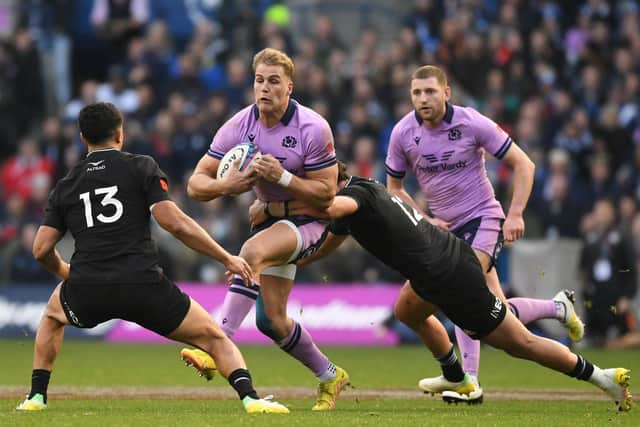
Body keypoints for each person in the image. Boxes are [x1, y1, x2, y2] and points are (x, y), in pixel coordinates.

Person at [247, 162, 632, 412]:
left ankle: (602, 377)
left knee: (520, 343)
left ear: (333, 182)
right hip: (440, 265)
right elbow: (324, 244)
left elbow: (329, 208)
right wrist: (284, 256)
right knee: (407, 310)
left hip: (451, 276)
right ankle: (455, 374)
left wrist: (278, 195)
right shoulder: (365, 192)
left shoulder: (355, 197)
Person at [15, 102, 288, 414]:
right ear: (119, 134)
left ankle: (36, 398)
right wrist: (226, 258)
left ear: (82, 138)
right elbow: (175, 223)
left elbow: (40, 249)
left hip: (88, 287)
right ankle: (251, 399)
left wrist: (66, 273)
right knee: (215, 337)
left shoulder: (66, 185)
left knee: (52, 317)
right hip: (143, 283)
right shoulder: (140, 166)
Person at [384, 65, 584, 403]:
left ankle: (470, 382)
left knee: (461, 292)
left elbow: (525, 164)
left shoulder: (471, 122)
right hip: (444, 232)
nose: (423, 98)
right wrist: (426, 219)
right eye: (416, 93)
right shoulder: (403, 133)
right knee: (495, 311)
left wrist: (516, 212)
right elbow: (394, 188)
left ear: (446, 92)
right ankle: (556, 307)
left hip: (482, 220)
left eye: (430, 91)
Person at [182, 47, 349, 411]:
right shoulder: (240, 125)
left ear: (290, 87)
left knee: (251, 253)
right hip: (274, 222)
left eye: (274, 81)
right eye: (259, 80)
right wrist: (230, 186)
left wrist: (282, 178)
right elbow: (196, 184)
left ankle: (216, 344)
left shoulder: (312, 127)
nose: (265, 88)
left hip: (311, 224)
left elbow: (326, 195)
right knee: (271, 322)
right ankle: (330, 375)